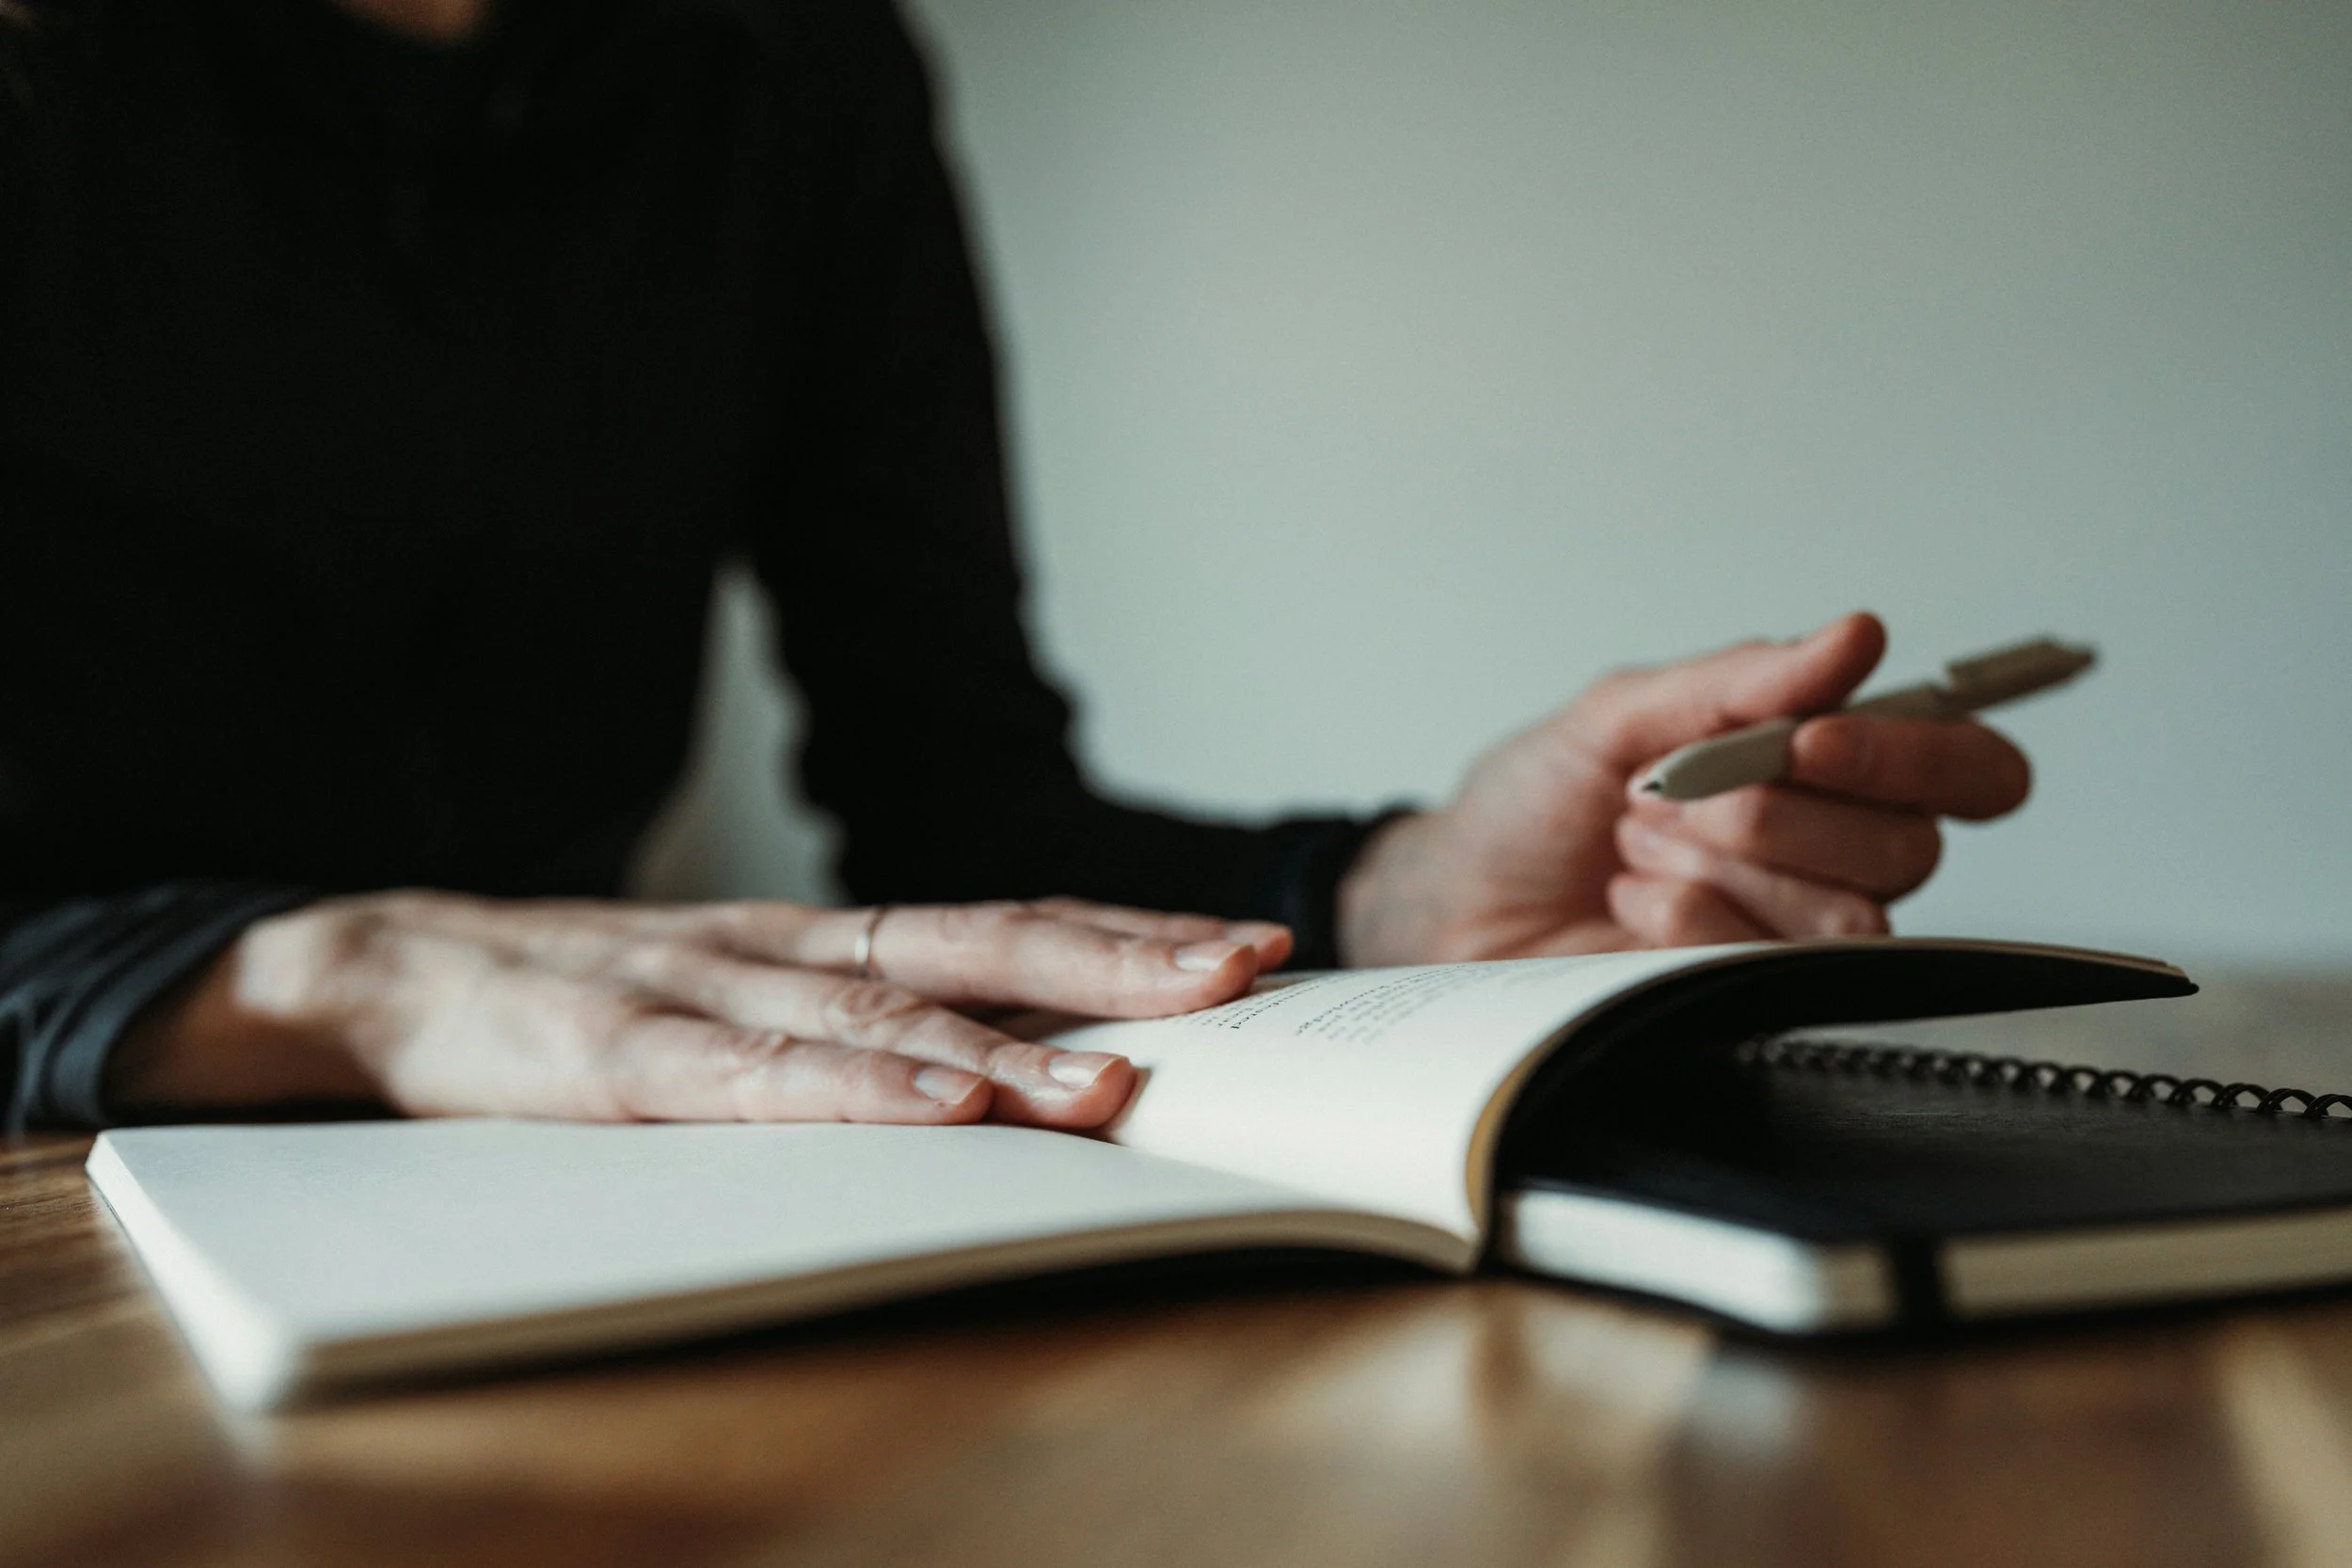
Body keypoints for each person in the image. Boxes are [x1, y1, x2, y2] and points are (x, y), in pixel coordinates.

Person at [0, 0, 2030, 1133]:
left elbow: (959, 805)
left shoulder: (791, 76)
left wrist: (1391, 889)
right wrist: (309, 971)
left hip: (531, 1175)